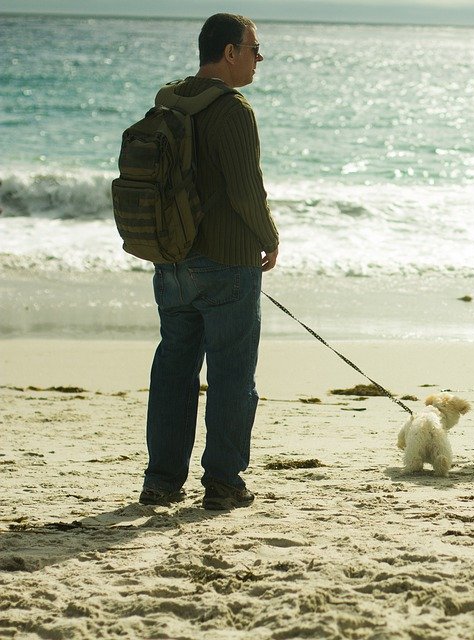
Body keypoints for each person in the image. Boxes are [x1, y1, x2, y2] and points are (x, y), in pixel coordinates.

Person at [138, 13, 280, 510]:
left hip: (171, 259)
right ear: (229, 53)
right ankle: (223, 482)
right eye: (254, 49)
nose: (259, 59)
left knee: (174, 370)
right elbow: (246, 191)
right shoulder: (233, 109)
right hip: (225, 264)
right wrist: (270, 238)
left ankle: (160, 481)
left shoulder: (169, 100)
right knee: (232, 376)